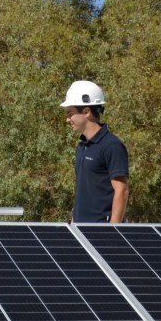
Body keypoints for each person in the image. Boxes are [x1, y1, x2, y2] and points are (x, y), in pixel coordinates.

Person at [60, 80, 129, 223]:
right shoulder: (82, 146)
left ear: (86, 112)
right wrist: (74, 223)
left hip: (102, 233)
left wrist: (113, 231)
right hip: (80, 229)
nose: (67, 119)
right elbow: (83, 191)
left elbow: (121, 191)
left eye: (71, 113)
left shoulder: (112, 146)